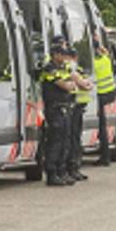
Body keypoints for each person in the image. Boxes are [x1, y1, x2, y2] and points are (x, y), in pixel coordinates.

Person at [39, 44, 79, 186]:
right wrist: (70, 84)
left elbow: (74, 81)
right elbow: (66, 85)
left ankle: (61, 172)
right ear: (55, 54)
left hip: (64, 107)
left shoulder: (63, 68)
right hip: (54, 108)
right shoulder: (49, 68)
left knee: (65, 141)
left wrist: (73, 83)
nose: (64, 57)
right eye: (62, 54)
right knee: (55, 141)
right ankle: (51, 173)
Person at [65, 48, 94, 181]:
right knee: (73, 139)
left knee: (76, 139)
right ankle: (72, 168)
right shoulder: (70, 67)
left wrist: (86, 84)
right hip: (73, 107)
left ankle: (75, 167)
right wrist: (85, 84)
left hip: (78, 107)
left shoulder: (76, 68)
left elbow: (87, 83)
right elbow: (83, 84)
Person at [92, 36, 116, 167]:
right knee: (103, 127)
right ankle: (105, 156)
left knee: (101, 128)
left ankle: (105, 156)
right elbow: (106, 53)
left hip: (100, 97)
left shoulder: (94, 64)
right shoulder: (105, 59)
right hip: (110, 94)